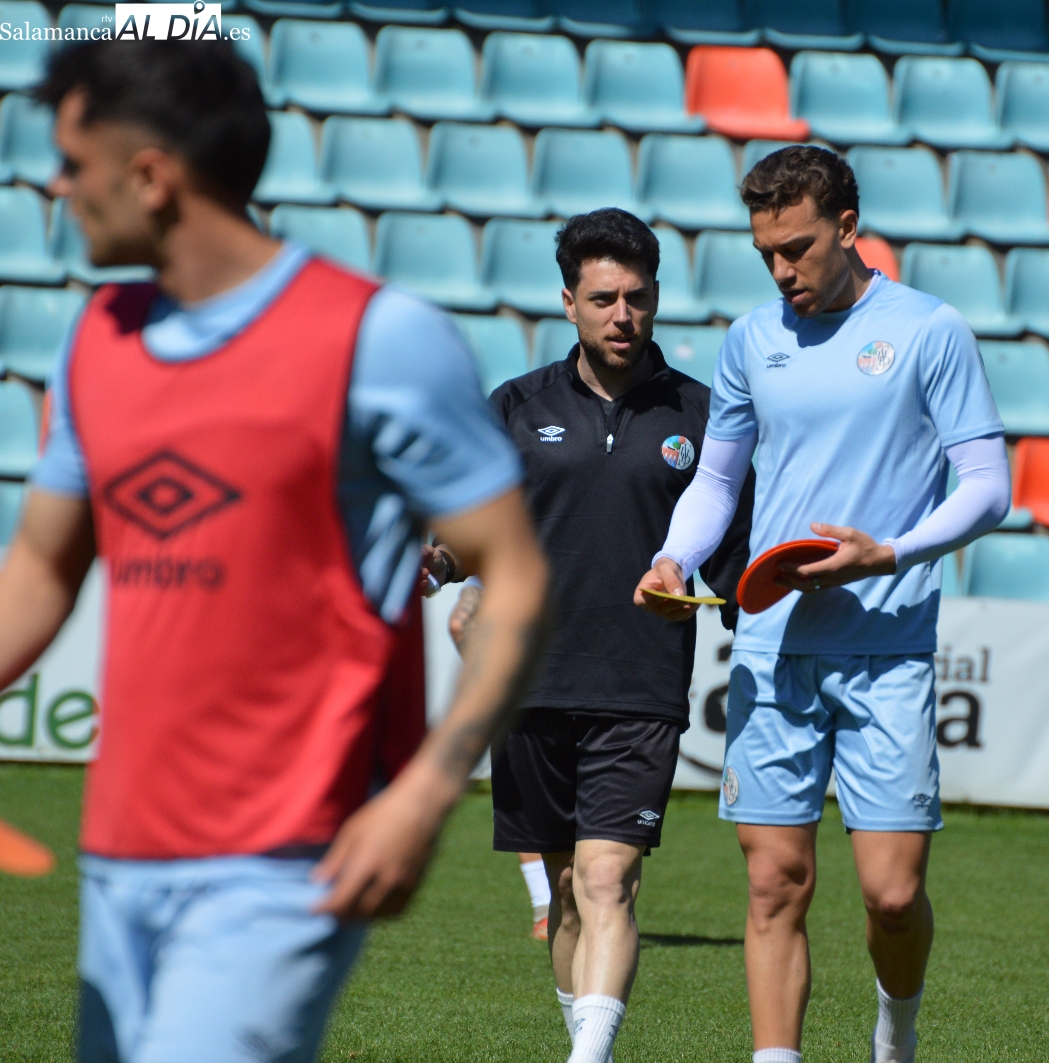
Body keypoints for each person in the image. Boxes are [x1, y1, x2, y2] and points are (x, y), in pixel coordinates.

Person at [0, 42, 548, 1063]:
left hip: (287, 856)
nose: (54, 184)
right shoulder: (96, 337)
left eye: (74, 162)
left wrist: (427, 793)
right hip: (118, 848)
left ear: (151, 176)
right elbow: (39, 570)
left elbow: (514, 574)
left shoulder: (380, 339)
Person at [634, 146, 1011, 1063]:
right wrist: (676, 554)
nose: (779, 270)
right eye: (765, 251)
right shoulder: (749, 339)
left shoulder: (929, 330)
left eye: (796, 248)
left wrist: (890, 551)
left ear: (847, 228)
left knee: (889, 892)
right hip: (768, 645)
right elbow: (717, 482)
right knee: (774, 881)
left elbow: (987, 487)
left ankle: (896, 1027)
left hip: (887, 647)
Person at [445, 209, 753, 1063]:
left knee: (609, 876)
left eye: (639, 298)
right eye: (604, 298)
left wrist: (746, 594)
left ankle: (588, 1059)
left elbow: (733, 550)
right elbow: (468, 519)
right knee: (569, 897)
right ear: (569, 304)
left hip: (639, 684)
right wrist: (442, 559)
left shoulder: (703, 415)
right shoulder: (515, 406)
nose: (624, 314)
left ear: (657, 301)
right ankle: (588, 1042)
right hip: (530, 682)